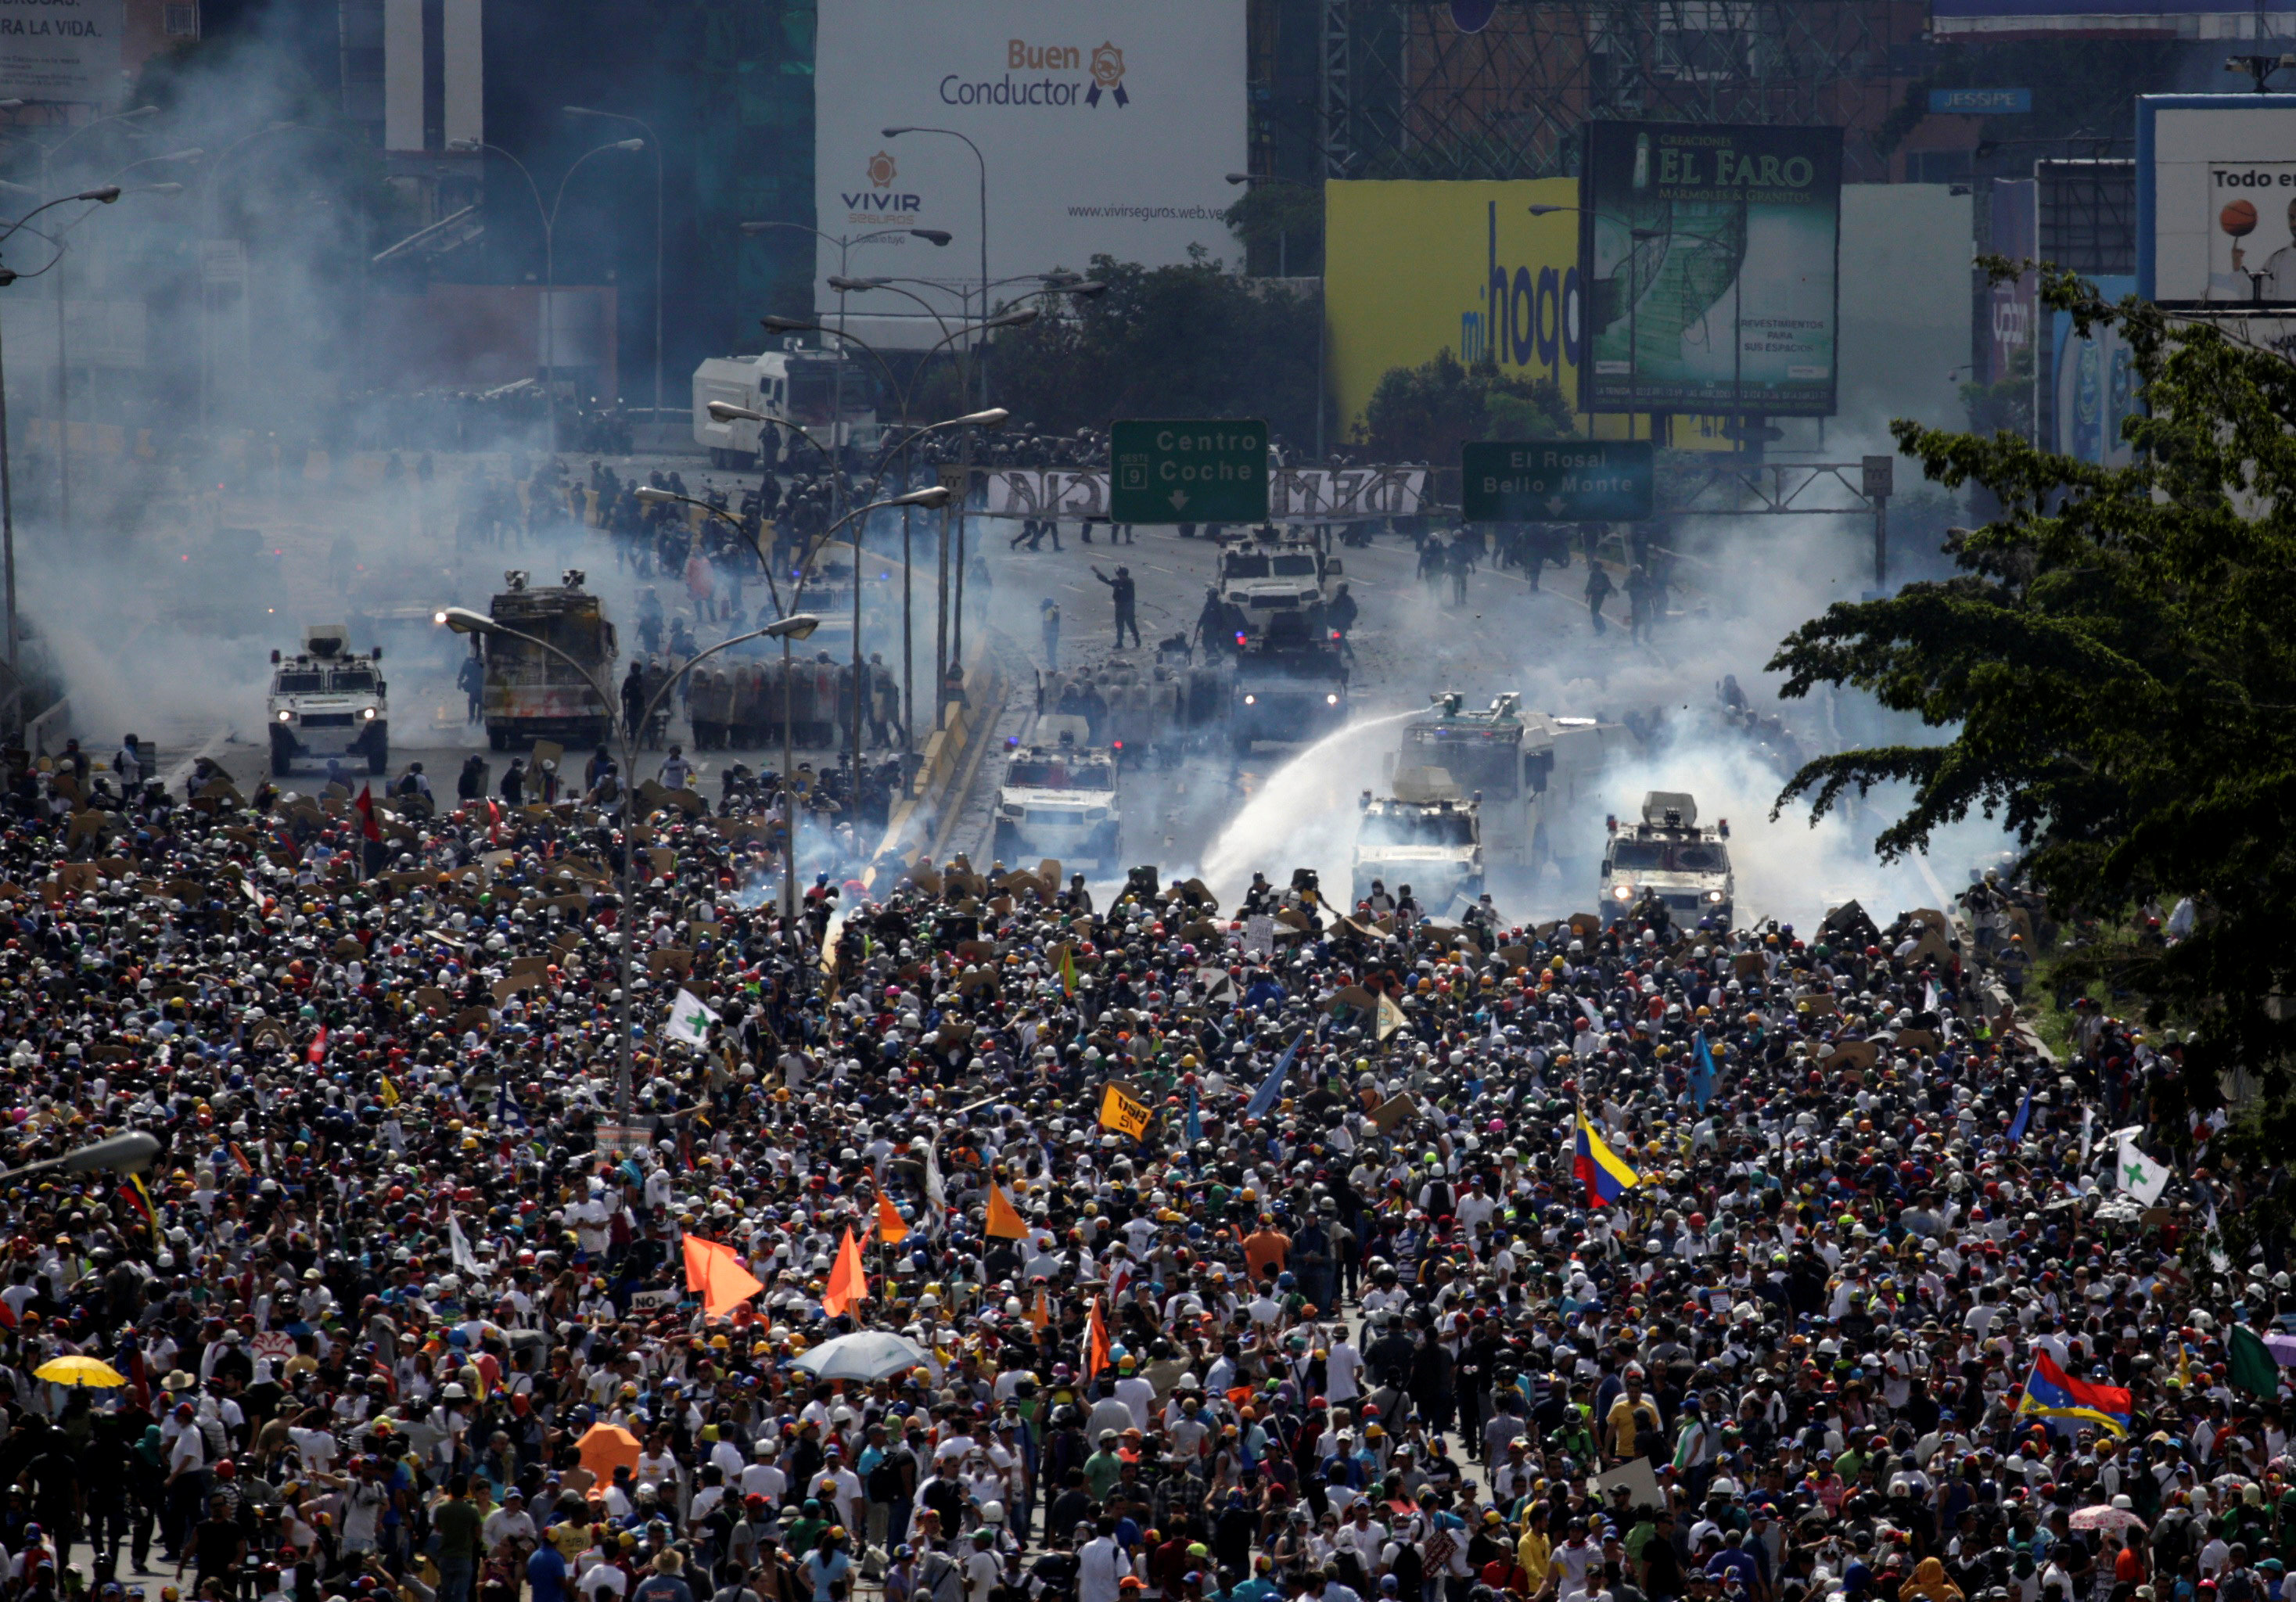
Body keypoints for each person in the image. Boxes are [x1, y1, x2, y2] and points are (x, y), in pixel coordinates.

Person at [1091, 565, 1141, 648]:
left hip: (1128, 607)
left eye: (1120, 574)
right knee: (1119, 625)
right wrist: (1097, 572)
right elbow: (1107, 580)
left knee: (1131, 624)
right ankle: (1120, 642)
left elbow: (1114, 583)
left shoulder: (1129, 583)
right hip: (1120, 607)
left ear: (1124, 575)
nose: (1118, 575)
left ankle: (1137, 640)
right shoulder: (1119, 582)